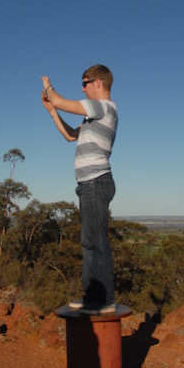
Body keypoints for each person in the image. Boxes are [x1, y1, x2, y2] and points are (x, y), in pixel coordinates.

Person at [41, 64, 118, 314]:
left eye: (85, 82)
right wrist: (52, 111)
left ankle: (104, 300)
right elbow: (70, 136)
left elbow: (63, 101)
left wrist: (50, 90)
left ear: (98, 83)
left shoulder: (103, 107)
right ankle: (92, 297)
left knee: (96, 242)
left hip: (96, 181)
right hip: (88, 184)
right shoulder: (92, 116)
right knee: (89, 242)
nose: (82, 87)